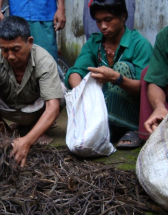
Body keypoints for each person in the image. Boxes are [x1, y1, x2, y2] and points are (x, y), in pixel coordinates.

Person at [0, 16, 64, 169]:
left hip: (36, 109)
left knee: (60, 94)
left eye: (16, 49)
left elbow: (52, 107)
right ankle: (2, 128)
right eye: (4, 50)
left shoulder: (44, 60)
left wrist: (27, 141)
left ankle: (35, 131)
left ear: (30, 42)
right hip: (8, 108)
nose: (11, 56)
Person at [65, 0, 153, 149]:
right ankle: (106, 127)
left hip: (133, 110)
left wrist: (116, 78)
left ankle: (132, 128)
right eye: (98, 21)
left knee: (122, 67)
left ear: (123, 16)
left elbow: (146, 89)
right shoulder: (94, 43)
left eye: (108, 20)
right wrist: (82, 92)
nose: (103, 26)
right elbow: (76, 71)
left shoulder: (139, 44)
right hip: (101, 110)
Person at [0, 0, 66, 62]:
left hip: (43, 13)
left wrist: (61, 8)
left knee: (47, 60)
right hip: (18, 12)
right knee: (17, 61)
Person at [138, 26, 168, 139]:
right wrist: (159, 107)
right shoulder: (165, 35)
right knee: (147, 73)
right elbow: (156, 80)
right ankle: (154, 135)